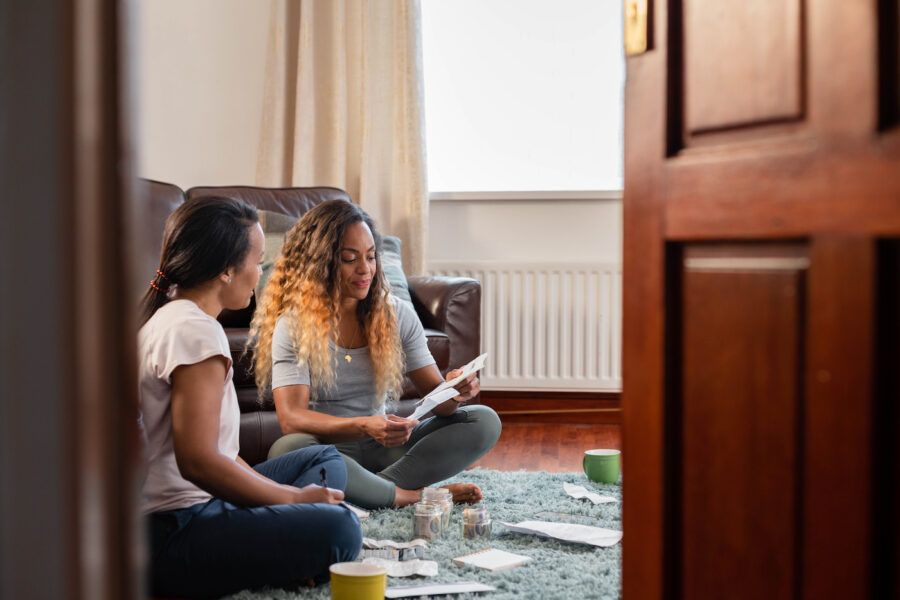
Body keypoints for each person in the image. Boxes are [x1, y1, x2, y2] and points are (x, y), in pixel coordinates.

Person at [139, 197, 361, 599]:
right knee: (342, 528)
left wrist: (289, 502)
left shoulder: (172, 317)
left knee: (322, 458)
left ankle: (279, 539)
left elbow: (220, 452)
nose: (261, 274)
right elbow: (198, 462)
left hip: (194, 508)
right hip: (176, 529)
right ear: (226, 269)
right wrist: (294, 500)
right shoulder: (194, 332)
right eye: (258, 261)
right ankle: (286, 545)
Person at [250, 199, 502, 510]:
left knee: (483, 420)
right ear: (319, 264)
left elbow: (441, 404)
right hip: (329, 451)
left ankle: (368, 491)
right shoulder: (293, 326)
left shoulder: (397, 315)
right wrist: (364, 424)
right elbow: (291, 419)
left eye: (370, 257)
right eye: (349, 258)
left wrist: (455, 389)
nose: (365, 269)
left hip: (388, 450)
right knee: (288, 448)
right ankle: (411, 496)